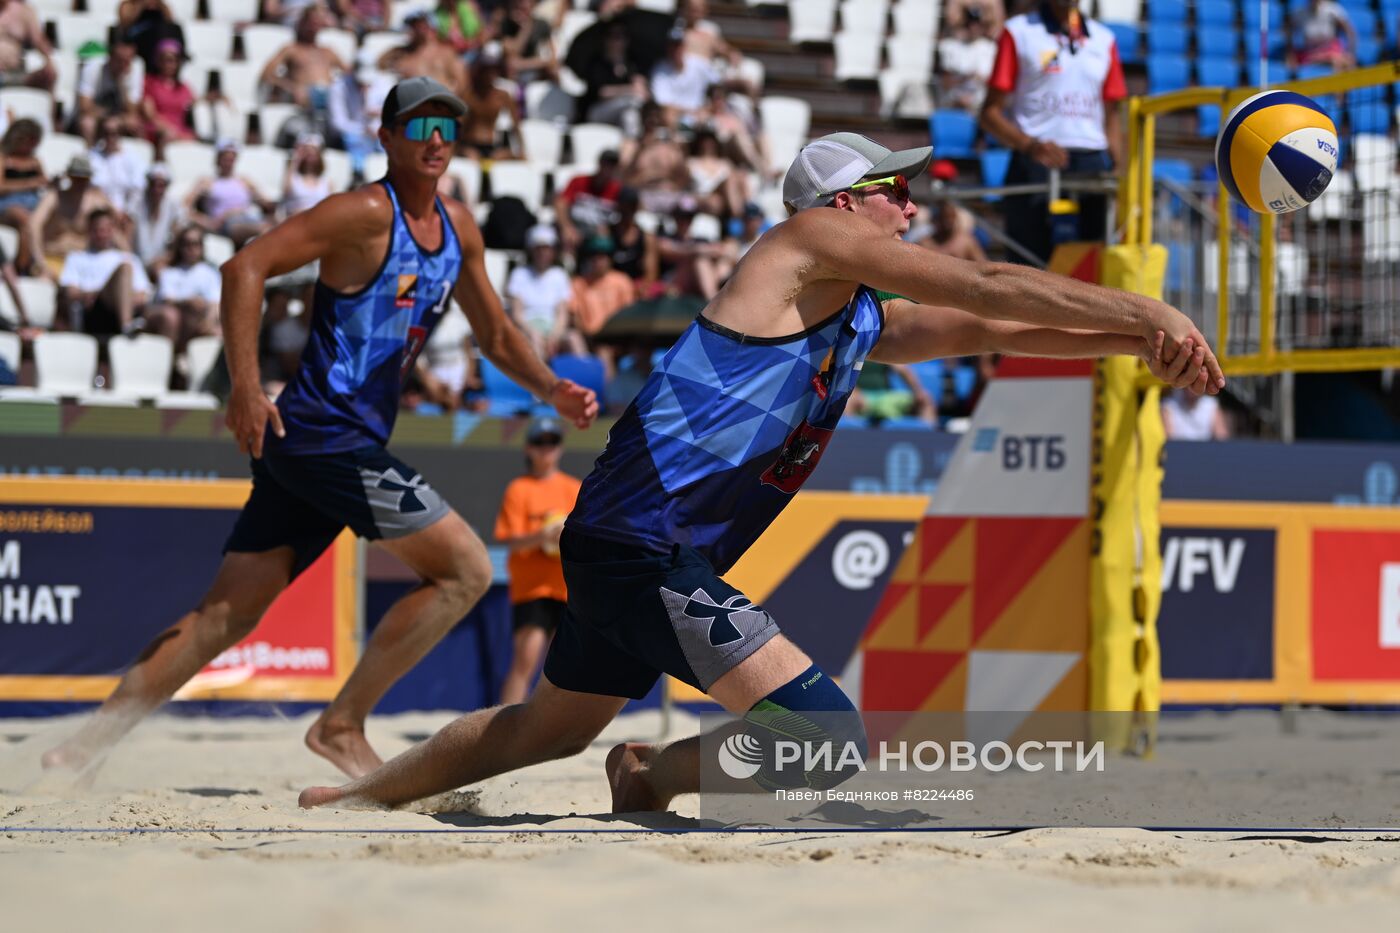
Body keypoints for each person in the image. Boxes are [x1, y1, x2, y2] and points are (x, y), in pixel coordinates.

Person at [297, 130, 1221, 815]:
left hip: (635, 539)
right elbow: (984, 287)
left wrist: (1132, 345)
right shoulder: (804, 244)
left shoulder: (858, 311)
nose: (912, 202)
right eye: (895, 188)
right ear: (845, 203)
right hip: (646, 540)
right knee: (827, 739)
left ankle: (366, 798)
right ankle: (652, 773)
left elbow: (990, 327)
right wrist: (1149, 308)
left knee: (550, 727)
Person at [42, 76, 598, 780]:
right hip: (324, 433)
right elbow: (245, 266)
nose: (435, 140)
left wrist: (549, 387)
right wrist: (244, 386)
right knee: (461, 569)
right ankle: (340, 725)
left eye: (446, 128)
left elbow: (493, 330)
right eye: (418, 127)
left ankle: (80, 751)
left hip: (322, 441)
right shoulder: (363, 212)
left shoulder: (458, 226)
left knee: (223, 616)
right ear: (387, 138)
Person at [978, 0, 1126, 265]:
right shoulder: (1018, 32)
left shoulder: (1104, 39)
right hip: (1036, 159)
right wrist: (1030, 146)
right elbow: (989, 114)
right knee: (1027, 268)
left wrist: (1118, 162)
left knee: (1092, 268)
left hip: (1092, 161)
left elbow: (1112, 111)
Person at [494, 416, 582, 704]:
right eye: (539, 442)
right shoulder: (519, 489)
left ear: (560, 448)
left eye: (552, 442)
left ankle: (551, 733)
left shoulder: (574, 488)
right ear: (528, 449)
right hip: (532, 587)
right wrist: (544, 536)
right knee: (525, 661)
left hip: (568, 588)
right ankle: (506, 730)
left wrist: (564, 535)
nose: (546, 448)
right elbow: (511, 540)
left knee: (566, 669)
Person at [57, 206, 152, 335]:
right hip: (93, 313)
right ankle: (126, 325)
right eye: (97, 230)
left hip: (126, 309)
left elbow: (143, 294)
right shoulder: (76, 258)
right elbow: (70, 290)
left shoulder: (129, 258)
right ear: (89, 231)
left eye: (106, 230)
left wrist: (126, 299)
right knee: (124, 269)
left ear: (113, 230)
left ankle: (127, 323)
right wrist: (91, 294)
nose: (102, 234)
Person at [31, 156, 121, 276]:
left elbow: (119, 222)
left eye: (84, 178)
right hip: (52, 259)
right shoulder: (54, 197)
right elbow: (33, 225)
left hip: (82, 263)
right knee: (43, 280)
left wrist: (126, 260)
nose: (80, 182)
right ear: (69, 177)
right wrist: (40, 262)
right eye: (77, 177)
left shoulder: (97, 200)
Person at [144, 225, 222, 352]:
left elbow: (214, 302)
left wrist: (208, 322)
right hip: (176, 320)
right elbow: (166, 300)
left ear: (202, 247)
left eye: (195, 244)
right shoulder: (169, 272)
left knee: (218, 330)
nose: (191, 248)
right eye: (186, 244)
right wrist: (188, 302)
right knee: (174, 315)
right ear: (180, 247)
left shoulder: (210, 273)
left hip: (200, 320)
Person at [186, 141, 276, 247]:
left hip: (249, 217)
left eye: (231, 159)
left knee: (278, 224)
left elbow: (266, 201)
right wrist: (205, 221)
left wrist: (266, 203)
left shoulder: (244, 180)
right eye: (225, 159)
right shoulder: (207, 182)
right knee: (265, 229)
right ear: (218, 159)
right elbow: (186, 206)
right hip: (227, 223)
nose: (228, 163)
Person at [506, 223, 574, 357]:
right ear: (531, 250)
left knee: (574, 339)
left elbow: (562, 314)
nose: (543, 253)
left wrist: (555, 335)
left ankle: (583, 377)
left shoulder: (560, 275)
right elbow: (517, 314)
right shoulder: (519, 274)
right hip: (526, 329)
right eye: (539, 248)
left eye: (547, 248)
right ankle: (543, 378)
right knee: (534, 344)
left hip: (553, 328)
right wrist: (533, 332)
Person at [74, 31, 145, 142]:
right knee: (87, 124)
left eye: (127, 61)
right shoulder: (92, 67)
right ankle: (92, 157)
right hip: (95, 118)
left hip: (117, 118)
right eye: (119, 60)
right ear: (110, 57)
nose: (123, 65)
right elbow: (84, 108)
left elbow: (132, 111)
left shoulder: (135, 69)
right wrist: (108, 116)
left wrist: (123, 83)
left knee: (136, 125)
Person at [379, 7, 467, 94]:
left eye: (422, 24)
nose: (420, 29)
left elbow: (461, 83)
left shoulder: (446, 52)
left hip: (440, 102)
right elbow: (380, 65)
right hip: (415, 103)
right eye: (415, 25)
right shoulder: (403, 54)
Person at [459, 46, 523, 160]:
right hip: (470, 145)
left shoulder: (503, 96)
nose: (490, 74)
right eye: (487, 70)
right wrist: (460, 149)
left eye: (494, 70)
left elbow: (516, 126)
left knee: (510, 157)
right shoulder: (469, 95)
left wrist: (522, 150)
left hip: (493, 146)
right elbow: (459, 125)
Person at [0, 117, 46, 274]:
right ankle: (22, 268)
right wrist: (29, 183)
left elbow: (43, 181)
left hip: (33, 203)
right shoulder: (3, 159)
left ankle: (31, 265)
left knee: (36, 220)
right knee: (25, 219)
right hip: (7, 204)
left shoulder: (35, 161)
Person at [554, 148, 621, 254]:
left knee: (604, 244)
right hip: (574, 228)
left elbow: (623, 214)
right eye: (606, 164)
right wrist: (566, 227)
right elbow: (560, 203)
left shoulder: (617, 190)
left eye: (612, 165)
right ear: (599, 163)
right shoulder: (578, 181)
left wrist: (608, 229)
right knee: (565, 240)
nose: (608, 168)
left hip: (596, 235)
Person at [139, 38, 196, 145]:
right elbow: (149, 114)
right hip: (158, 130)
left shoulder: (184, 87)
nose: (168, 64)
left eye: (172, 60)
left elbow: (194, 104)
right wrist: (170, 130)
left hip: (179, 131)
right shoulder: (149, 82)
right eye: (164, 60)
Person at [129, 162, 184, 272]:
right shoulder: (136, 202)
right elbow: (127, 234)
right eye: (153, 184)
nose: (156, 190)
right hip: (136, 261)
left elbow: (177, 238)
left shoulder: (173, 205)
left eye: (161, 185)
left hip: (160, 263)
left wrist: (165, 259)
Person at [89, 116, 149, 211]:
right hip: (100, 211)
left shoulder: (132, 158)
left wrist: (128, 212)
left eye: (114, 133)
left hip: (128, 213)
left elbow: (137, 190)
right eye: (106, 133)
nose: (110, 138)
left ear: (120, 134)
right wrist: (114, 211)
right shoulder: (92, 157)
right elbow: (95, 189)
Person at [0, 0, 55, 92]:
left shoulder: (24, 12)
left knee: (48, 76)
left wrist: (49, 62)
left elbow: (39, 40)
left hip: (12, 73)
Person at [1292, 0, 1358, 69]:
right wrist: (1290, 54)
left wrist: (1350, 52)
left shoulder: (1332, 9)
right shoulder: (1299, 13)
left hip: (1331, 50)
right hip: (1310, 54)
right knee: (1335, 61)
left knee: (1348, 63)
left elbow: (1349, 31)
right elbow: (1288, 32)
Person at [281, 133, 333, 217]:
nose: (310, 154)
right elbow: (285, 191)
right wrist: (296, 158)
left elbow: (330, 207)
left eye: (314, 151)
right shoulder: (293, 178)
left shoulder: (327, 182)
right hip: (296, 221)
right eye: (306, 152)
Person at [1162, 388, 1229, 440]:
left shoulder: (1211, 404)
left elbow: (1222, 437)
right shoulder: (1169, 405)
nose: (1193, 388)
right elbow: (1169, 439)